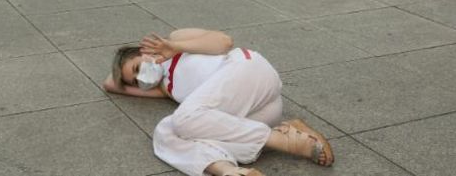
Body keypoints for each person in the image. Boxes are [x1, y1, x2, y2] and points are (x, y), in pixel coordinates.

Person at [104, 29, 334, 176]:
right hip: (261, 113)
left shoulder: (175, 40)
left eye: (137, 68)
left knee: (183, 120)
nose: (140, 79)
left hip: (247, 70)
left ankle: (284, 141)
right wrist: (130, 76)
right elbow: (110, 84)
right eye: (135, 80)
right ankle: (229, 171)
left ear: (144, 51)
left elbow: (224, 41)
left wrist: (174, 47)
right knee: (165, 131)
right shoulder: (165, 88)